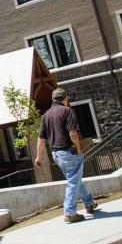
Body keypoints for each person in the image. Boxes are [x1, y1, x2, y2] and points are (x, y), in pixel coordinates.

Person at [35, 87, 97, 223]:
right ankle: (69, 213)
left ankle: (89, 203)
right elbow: (73, 133)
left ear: (53, 99)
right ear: (65, 99)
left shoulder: (46, 115)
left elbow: (40, 138)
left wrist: (39, 157)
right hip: (68, 152)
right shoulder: (67, 111)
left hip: (56, 155)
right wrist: (79, 149)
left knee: (75, 178)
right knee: (73, 181)